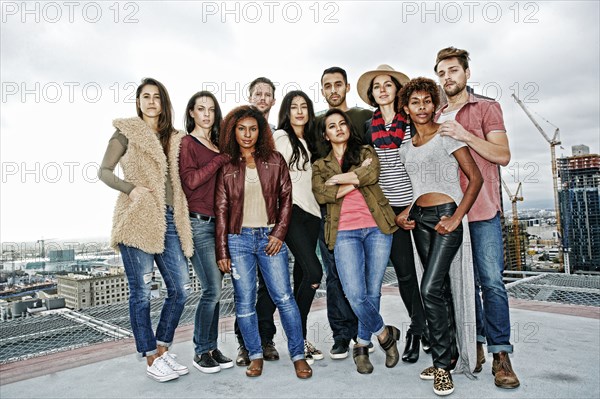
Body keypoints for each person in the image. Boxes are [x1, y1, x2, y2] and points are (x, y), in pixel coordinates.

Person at [434, 46, 520, 389]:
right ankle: (476, 344)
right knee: (461, 288)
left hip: (482, 211)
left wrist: (464, 134)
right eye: (441, 73)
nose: (447, 78)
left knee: (492, 284)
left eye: (453, 70)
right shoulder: (434, 114)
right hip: (448, 213)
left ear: (466, 73)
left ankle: (501, 355)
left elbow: (503, 155)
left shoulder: (486, 107)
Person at [98, 78, 192, 382]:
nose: (151, 102)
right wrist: (131, 188)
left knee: (180, 289)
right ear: (138, 102)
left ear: (163, 103)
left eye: (157, 97)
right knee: (141, 293)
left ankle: (162, 348)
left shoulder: (175, 137)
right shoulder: (127, 132)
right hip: (138, 218)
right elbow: (104, 171)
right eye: (145, 97)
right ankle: (150, 358)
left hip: (170, 219)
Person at [396, 77, 482, 396]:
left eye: (427, 101)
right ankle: (447, 355)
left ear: (435, 104)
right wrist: (406, 211)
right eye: (415, 102)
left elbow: (474, 179)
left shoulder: (447, 134)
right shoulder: (406, 147)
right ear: (405, 107)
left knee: (429, 288)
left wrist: (457, 217)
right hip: (419, 219)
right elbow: (415, 187)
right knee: (439, 291)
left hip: (447, 216)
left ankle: (443, 367)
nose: (422, 107)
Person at [214, 105, 312, 379]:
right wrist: (222, 249)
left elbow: (286, 200)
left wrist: (279, 233)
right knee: (244, 302)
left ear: (261, 131)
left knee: (284, 298)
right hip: (238, 240)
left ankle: (298, 355)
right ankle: (255, 354)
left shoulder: (275, 160)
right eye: (241, 129)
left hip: (269, 238)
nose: (247, 134)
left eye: (253, 129)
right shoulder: (227, 166)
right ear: (233, 131)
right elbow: (221, 210)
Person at [312, 108, 401, 374]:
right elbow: (321, 193)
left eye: (342, 124)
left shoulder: (364, 152)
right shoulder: (319, 165)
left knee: (372, 291)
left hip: (377, 228)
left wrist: (341, 180)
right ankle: (385, 334)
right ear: (326, 135)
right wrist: (357, 178)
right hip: (344, 232)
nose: (338, 128)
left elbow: (372, 174)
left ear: (349, 128)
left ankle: (362, 345)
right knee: (354, 293)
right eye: (332, 126)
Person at [356, 64, 430, 363]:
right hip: (389, 211)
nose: (383, 89)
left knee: (431, 271)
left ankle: (438, 329)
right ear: (372, 95)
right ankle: (419, 328)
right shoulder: (367, 127)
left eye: (389, 84)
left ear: (398, 91)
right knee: (405, 273)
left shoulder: (412, 121)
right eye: (377, 86)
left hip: (419, 204)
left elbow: (424, 164)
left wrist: (415, 206)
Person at [315, 66, 373, 360]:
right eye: (328, 85)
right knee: (336, 275)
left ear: (347, 87)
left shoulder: (364, 117)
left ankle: (366, 332)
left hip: (366, 210)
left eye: (338, 84)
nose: (333, 90)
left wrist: (350, 179)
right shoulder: (317, 122)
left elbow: (372, 164)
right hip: (332, 209)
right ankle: (342, 334)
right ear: (322, 90)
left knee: (365, 276)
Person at [179, 91, 233, 374]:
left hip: (220, 225)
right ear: (191, 113)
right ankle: (200, 350)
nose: (207, 114)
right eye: (201, 109)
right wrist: (218, 161)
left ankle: (211, 348)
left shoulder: (217, 145)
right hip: (198, 224)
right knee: (211, 289)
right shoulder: (188, 143)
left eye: (211, 109)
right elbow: (190, 181)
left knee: (217, 290)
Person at [273, 90, 324, 364]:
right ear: (287, 111)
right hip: (291, 212)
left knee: (301, 276)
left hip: (313, 214)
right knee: (315, 271)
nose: (300, 111)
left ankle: (299, 340)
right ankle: (295, 335)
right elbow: (270, 174)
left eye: (305, 106)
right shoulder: (280, 137)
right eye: (294, 107)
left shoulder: (312, 142)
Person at [234, 76, 279, 366]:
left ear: (273, 101)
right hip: (242, 224)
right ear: (250, 97)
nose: (262, 98)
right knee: (245, 289)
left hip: (271, 223)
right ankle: (245, 345)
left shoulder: (277, 134)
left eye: (267, 94)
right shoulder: (236, 133)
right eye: (257, 93)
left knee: (272, 287)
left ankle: (266, 338)